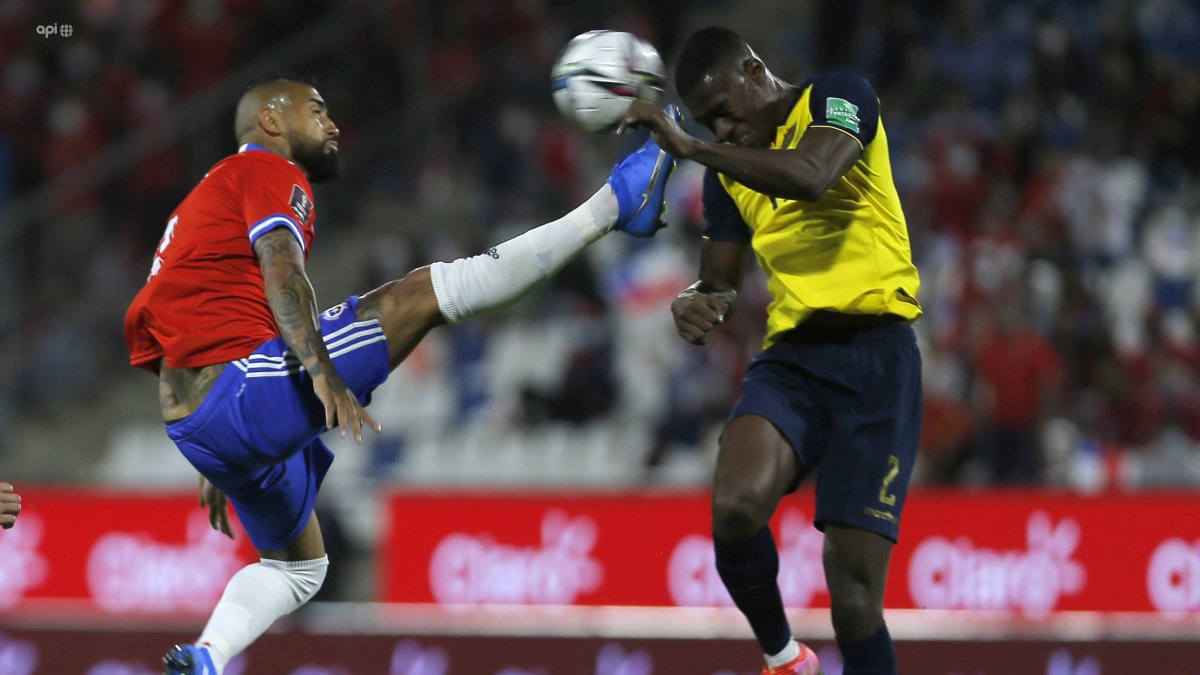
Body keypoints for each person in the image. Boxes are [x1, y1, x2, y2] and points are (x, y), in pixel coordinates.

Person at [123, 76, 677, 675]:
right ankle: (619, 203)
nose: (333, 125)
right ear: (273, 122)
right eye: (318, 110)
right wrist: (321, 372)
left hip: (197, 420)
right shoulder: (266, 171)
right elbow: (282, 270)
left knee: (300, 568)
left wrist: (219, 453)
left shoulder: (198, 205)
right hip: (237, 396)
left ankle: (207, 655)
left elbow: (169, 332)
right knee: (424, 292)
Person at [620, 27, 922, 675]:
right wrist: (698, 300)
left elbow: (813, 175)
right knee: (733, 507)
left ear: (754, 71)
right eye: (708, 122)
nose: (724, 129)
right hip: (793, 360)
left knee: (856, 596)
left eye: (725, 111)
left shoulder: (839, 96)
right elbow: (721, 279)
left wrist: (695, 147)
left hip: (877, 356)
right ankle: (784, 658)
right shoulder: (730, 175)